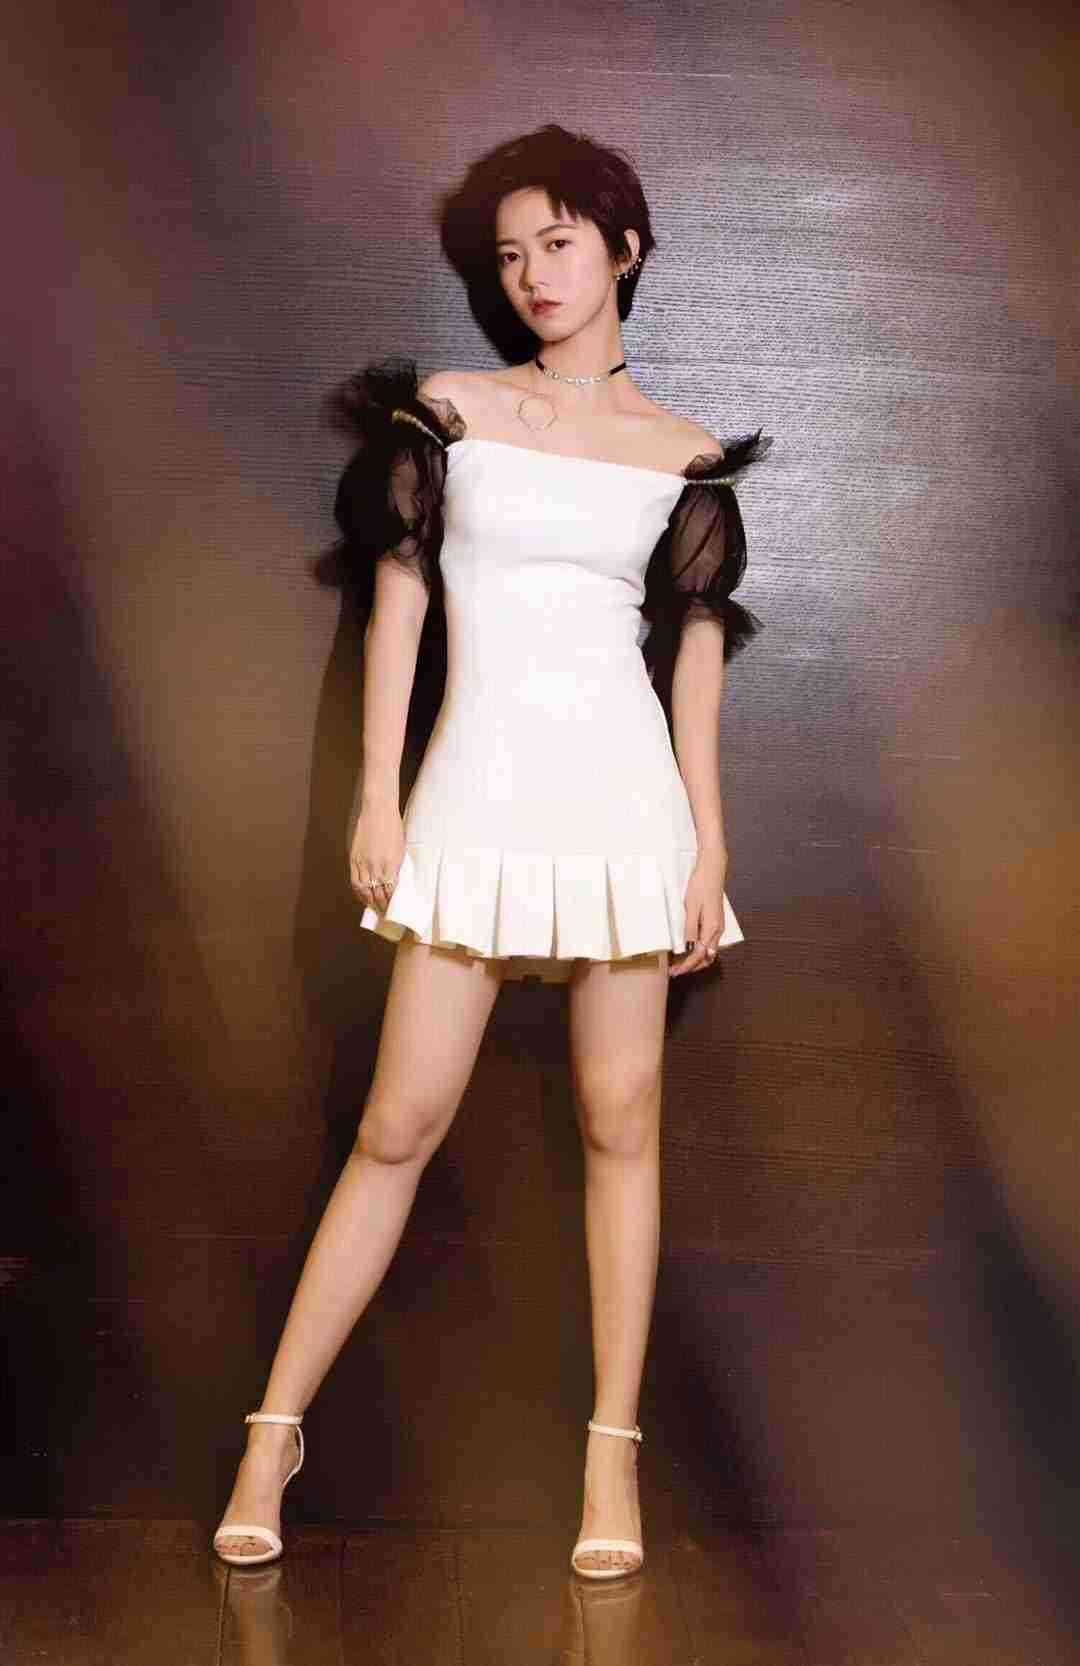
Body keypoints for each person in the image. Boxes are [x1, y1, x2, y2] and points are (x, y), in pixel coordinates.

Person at [214, 123, 771, 1582]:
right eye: (511, 253)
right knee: (398, 1124)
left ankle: (610, 1457)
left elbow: (693, 670)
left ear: (624, 251)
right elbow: (398, 605)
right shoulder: (451, 414)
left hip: (624, 805)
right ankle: (272, 1434)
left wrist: (708, 846)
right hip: (475, 792)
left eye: (559, 244)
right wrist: (379, 795)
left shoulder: (683, 453)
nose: (533, 273)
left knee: (621, 1121)